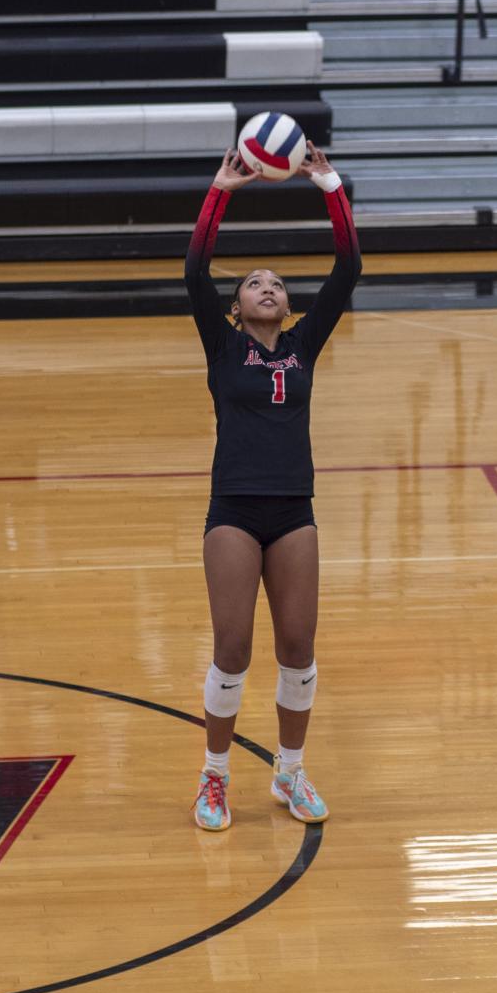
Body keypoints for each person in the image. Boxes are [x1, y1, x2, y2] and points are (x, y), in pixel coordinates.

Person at [183, 144, 361, 832]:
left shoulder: (301, 344)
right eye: (254, 282)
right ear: (235, 309)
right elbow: (194, 268)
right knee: (233, 648)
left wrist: (328, 184)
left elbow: (348, 269)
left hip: (294, 509)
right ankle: (215, 776)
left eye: (277, 283)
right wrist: (219, 191)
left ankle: (289, 771)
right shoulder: (222, 344)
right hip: (233, 508)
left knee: (298, 646)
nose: (267, 287)